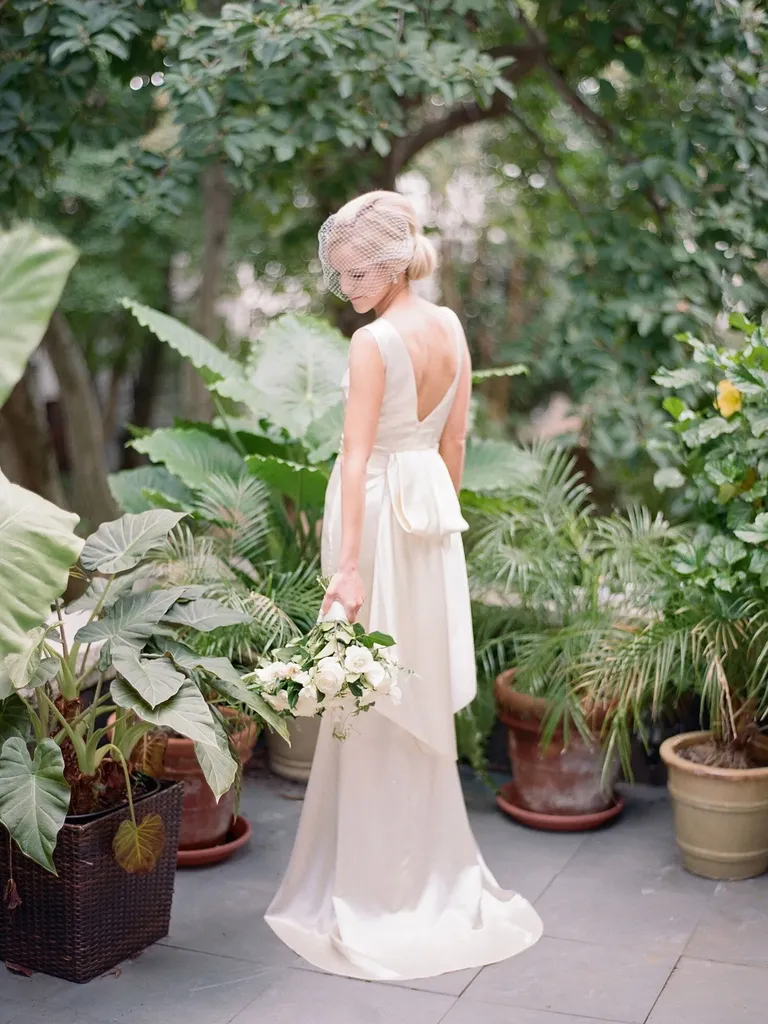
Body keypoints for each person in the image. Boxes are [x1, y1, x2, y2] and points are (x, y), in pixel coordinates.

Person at [265, 190, 543, 980]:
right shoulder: (450, 326)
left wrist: (349, 566)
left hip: (381, 515)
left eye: (357, 273)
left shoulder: (372, 342)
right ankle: (425, 872)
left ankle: (376, 888)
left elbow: (354, 458)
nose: (346, 286)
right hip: (429, 517)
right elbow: (454, 444)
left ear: (392, 266)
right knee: (403, 680)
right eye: (340, 273)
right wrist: (439, 531)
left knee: (372, 685)